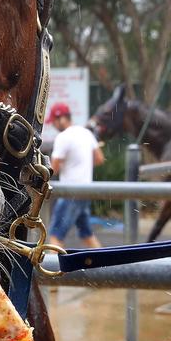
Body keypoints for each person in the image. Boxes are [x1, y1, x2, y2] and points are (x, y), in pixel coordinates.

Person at [47, 103, 105, 249]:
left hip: (70, 193)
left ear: (61, 119)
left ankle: (52, 269)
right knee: (87, 235)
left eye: (54, 121)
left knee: (55, 236)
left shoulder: (63, 137)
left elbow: (53, 169)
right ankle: (107, 267)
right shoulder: (86, 133)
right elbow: (99, 159)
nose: (53, 125)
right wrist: (80, 163)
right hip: (85, 191)